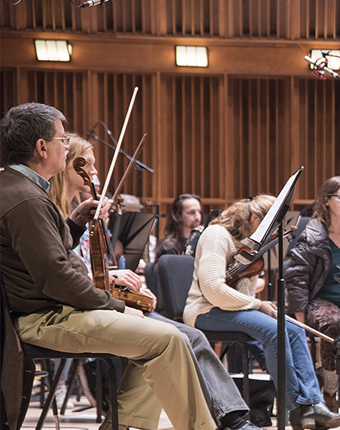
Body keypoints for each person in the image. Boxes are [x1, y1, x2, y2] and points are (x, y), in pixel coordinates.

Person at [0, 102, 216, 430]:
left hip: (51, 310)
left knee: (160, 341)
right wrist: (116, 305)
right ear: (42, 148)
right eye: (63, 141)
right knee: (169, 340)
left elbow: (45, 256)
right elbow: (55, 277)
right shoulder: (26, 199)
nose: (68, 146)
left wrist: (72, 224)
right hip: (43, 317)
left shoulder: (20, 189)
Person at [47, 134, 262, 430]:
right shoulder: (56, 215)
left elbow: (86, 269)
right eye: (88, 165)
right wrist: (111, 277)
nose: (95, 172)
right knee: (175, 340)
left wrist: (122, 281)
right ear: (70, 166)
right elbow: (62, 272)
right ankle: (223, 422)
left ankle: (232, 417)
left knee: (190, 337)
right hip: (79, 308)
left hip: (99, 299)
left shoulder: (80, 215)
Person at [183, 196, 340, 430]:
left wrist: (256, 303)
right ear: (255, 219)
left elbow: (244, 286)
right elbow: (214, 290)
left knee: (293, 328)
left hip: (234, 308)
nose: (271, 237)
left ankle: (312, 404)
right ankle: (294, 407)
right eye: (270, 229)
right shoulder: (217, 236)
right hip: (205, 310)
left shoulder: (252, 241)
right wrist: (258, 305)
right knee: (274, 330)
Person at [285, 176, 340, 411]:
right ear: (327, 201)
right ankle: (330, 390)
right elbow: (296, 279)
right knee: (334, 325)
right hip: (320, 300)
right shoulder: (312, 234)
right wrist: (300, 320)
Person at [158, 193, 202, 258]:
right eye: (192, 213)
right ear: (178, 216)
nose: (198, 218)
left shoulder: (202, 242)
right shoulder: (169, 248)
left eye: (199, 212)